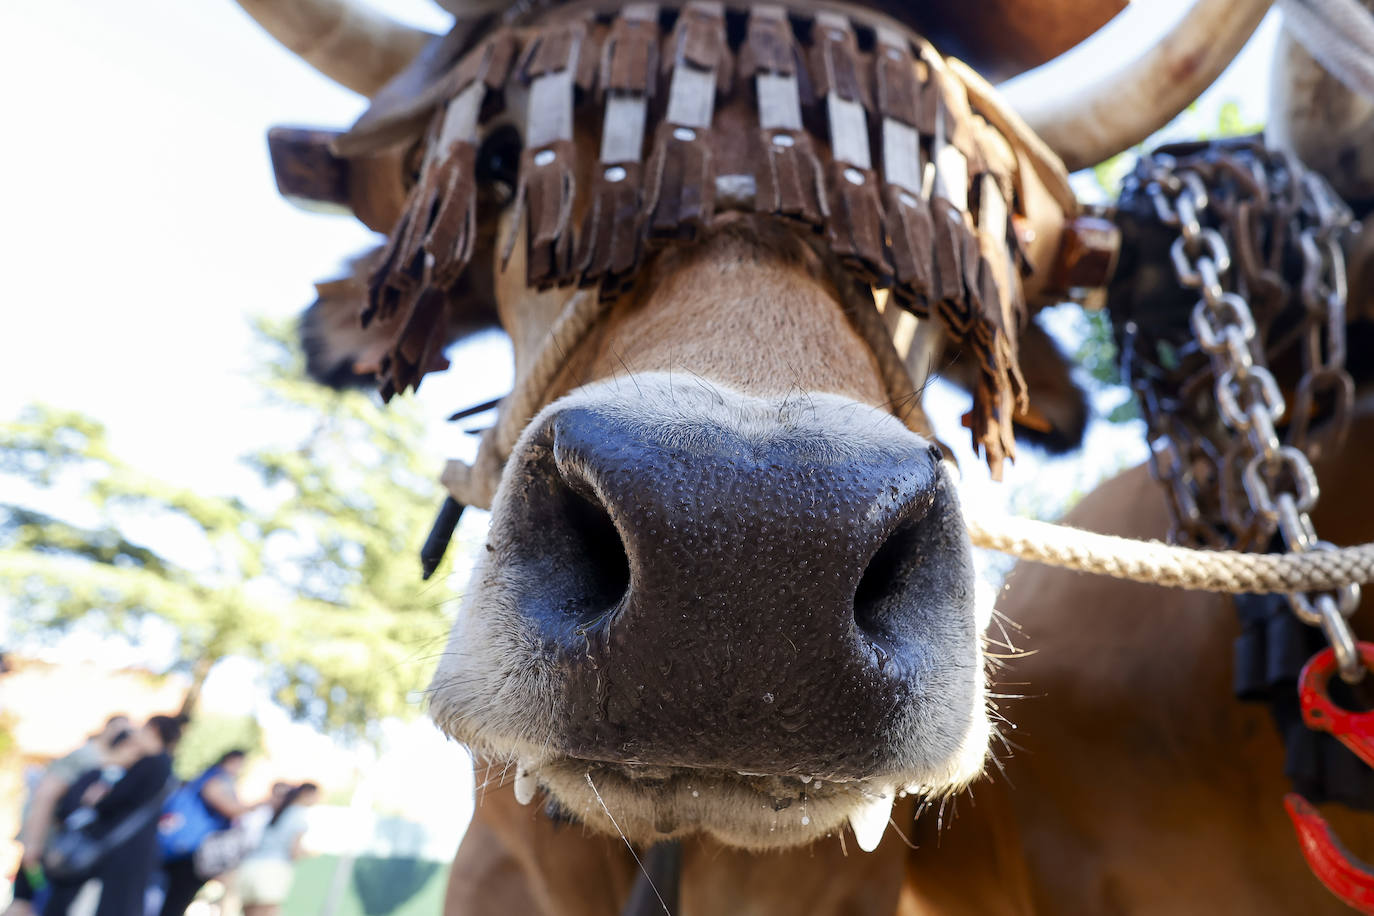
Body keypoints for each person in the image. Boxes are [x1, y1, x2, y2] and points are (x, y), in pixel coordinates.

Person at [42, 715, 183, 916]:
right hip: (131, 849)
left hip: (120, 848)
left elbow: (115, 800)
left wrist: (98, 799)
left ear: (154, 730)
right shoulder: (165, 767)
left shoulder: (152, 763)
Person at [5, 715, 131, 916]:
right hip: (46, 845)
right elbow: (45, 797)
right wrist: (34, 844)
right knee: (24, 903)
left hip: (60, 851)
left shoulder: (107, 764)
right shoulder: (87, 757)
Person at [158, 749, 252, 916]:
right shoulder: (216, 780)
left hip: (187, 849)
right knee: (175, 903)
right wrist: (259, 805)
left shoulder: (211, 777)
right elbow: (229, 808)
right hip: (192, 851)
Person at [236, 783, 318, 916]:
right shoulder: (299, 815)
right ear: (307, 794)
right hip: (273, 869)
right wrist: (308, 853)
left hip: (249, 866)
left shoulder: (277, 809)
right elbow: (294, 851)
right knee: (267, 911)